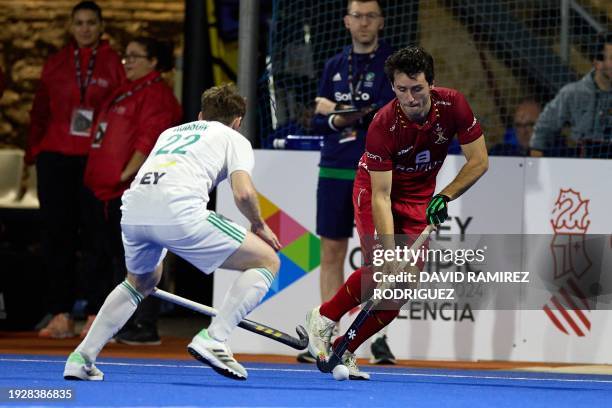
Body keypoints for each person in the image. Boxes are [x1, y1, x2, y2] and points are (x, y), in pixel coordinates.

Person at [63, 83, 281, 381]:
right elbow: (243, 194)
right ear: (238, 121)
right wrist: (259, 224)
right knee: (267, 260)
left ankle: (81, 358)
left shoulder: (172, 132)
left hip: (133, 211)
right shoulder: (233, 137)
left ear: (201, 115)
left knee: (140, 281)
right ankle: (215, 339)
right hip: (179, 212)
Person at [305, 46, 489, 379]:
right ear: (393, 88)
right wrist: (389, 252)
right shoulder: (383, 124)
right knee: (382, 272)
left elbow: (479, 161)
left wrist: (445, 196)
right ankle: (323, 317)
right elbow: (380, 195)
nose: (410, 97)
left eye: (417, 88)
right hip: (374, 192)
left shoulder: (454, 105)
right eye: (401, 89)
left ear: (430, 84)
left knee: (402, 289)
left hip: (421, 200)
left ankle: (344, 349)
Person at [303, 0, 396, 365]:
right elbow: (315, 121)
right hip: (333, 168)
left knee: (379, 257)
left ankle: (375, 339)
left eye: (371, 16)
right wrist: (344, 117)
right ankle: (325, 333)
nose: (363, 22)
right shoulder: (334, 65)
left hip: (374, 172)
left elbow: (382, 115)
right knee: (331, 253)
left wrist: (337, 114)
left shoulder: (390, 64)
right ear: (346, 21)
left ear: (381, 21)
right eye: (357, 16)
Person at [26, 1, 125, 338]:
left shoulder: (114, 64)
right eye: (79, 23)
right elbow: (39, 111)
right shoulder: (55, 63)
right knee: (57, 237)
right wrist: (33, 154)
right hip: (55, 158)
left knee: (98, 236)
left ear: (100, 26)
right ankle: (60, 314)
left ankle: (97, 312)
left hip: (95, 160)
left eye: (90, 23)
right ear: (71, 27)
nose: (84, 28)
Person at [79, 37, 182, 341]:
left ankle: (144, 325)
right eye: (127, 55)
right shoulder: (123, 90)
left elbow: (148, 142)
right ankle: (120, 323)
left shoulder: (158, 95)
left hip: (129, 191)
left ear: (154, 62)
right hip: (106, 191)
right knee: (114, 258)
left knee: (139, 258)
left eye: (136, 56)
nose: (128, 61)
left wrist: (123, 174)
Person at [530, 32, 612, 158]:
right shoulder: (573, 93)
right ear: (597, 63)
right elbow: (543, 128)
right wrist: (535, 162)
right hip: (579, 168)